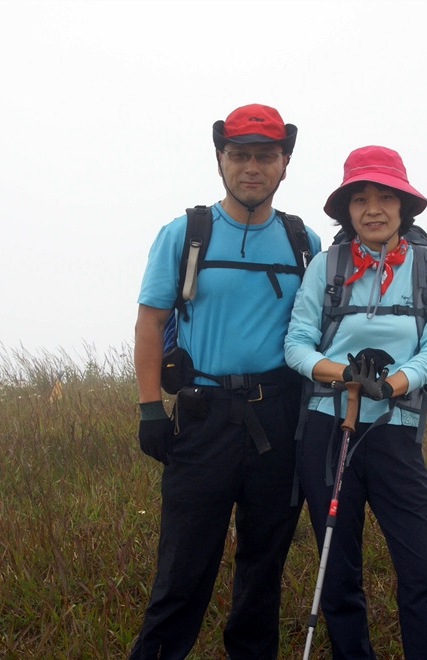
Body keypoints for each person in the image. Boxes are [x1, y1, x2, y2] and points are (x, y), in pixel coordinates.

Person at [130, 103, 322, 660]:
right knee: (183, 569)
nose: (252, 167)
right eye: (239, 155)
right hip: (202, 416)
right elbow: (151, 320)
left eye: (265, 156)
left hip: (279, 418)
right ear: (221, 160)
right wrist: (148, 409)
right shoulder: (186, 233)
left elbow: (328, 325)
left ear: (285, 163)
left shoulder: (301, 241)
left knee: (263, 569)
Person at [285, 145, 427, 658]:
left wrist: (395, 383)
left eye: (385, 196)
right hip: (327, 429)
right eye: (361, 198)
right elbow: (296, 344)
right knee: (337, 575)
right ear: (347, 209)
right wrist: (345, 374)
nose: (373, 208)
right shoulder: (326, 266)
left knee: (420, 573)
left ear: (404, 206)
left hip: (396, 434)